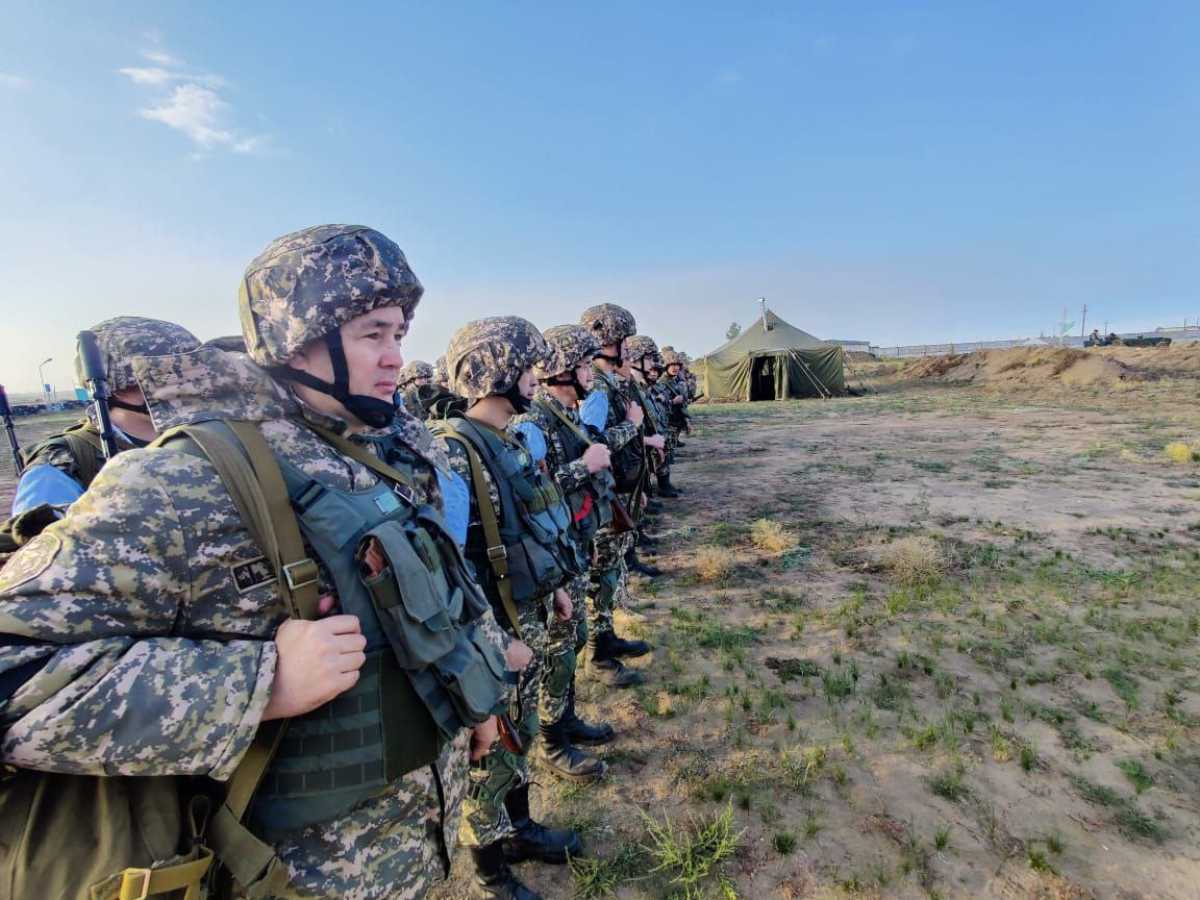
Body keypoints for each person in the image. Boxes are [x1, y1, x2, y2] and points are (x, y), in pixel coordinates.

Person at [0, 224, 518, 899]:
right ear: (299, 340)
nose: (394, 358)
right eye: (372, 335)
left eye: (398, 335)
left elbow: (433, 590)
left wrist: (470, 694)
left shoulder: (379, 453)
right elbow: (14, 666)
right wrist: (259, 682)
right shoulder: (186, 480)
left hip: (411, 850)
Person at [433, 316, 587, 900]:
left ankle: (518, 828)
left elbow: (527, 525)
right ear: (496, 370)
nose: (536, 374)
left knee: (518, 735)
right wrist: (494, 643)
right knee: (490, 749)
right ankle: (490, 869)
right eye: (526, 365)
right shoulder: (452, 454)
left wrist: (556, 589)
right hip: (492, 634)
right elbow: (448, 569)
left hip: (529, 612)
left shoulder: (511, 439)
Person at [510, 324, 619, 783]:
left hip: (572, 544)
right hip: (550, 554)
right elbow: (525, 499)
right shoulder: (532, 424)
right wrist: (584, 465)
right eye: (581, 365)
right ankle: (553, 741)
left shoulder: (566, 413)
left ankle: (565, 717)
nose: (590, 372)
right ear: (562, 371)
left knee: (571, 640)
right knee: (556, 647)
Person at [3, 316, 200, 549]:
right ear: (113, 386)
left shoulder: (206, 438)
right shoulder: (62, 465)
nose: (184, 387)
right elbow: (41, 561)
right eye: (163, 377)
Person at [577, 304, 654, 687]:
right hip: (601, 498)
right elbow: (591, 444)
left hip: (613, 492)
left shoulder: (607, 384)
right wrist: (631, 427)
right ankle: (599, 654)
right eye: (623, 342)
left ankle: (606, 639)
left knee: (610, 572)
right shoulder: (597, 391)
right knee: (602, 575)